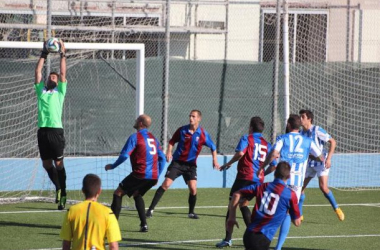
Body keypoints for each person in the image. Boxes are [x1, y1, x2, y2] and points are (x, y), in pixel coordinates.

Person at [261, 114, 324, 250]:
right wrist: (307, 155)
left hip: (281, 179)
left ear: (289, 125)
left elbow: (273, 154)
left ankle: (264, 240)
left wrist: (262, 167)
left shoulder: (282, 138)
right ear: (299, 126)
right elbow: (321, 157)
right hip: (296, 183)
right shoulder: (308, 141)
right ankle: (278, 247)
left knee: (271, 210)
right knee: (287, 213)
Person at [146, 110, 220, 219]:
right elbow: (172, 141)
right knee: (166, 184)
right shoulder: (182, 130)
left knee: (193, 189)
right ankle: (150, 210)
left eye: (193, 116)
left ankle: (191, 212)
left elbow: (213, 147)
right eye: (190, 116)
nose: (191, 118)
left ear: (199, 119)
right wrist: (169, 152)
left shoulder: (203, 134)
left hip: (191, 166)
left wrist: (215, 160)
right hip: (177, 163)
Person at [216, 117, 276, 248]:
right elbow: (273, 166)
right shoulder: (267, 144)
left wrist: (228, 163)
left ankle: (227, 239)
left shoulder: (246, 138)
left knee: (232, 206)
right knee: (243, 204)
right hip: (258, 181)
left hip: (244, 177)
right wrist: (261, 174)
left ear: (250, 127)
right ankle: (253, 235)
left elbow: (240, 153)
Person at [105, 114, 166, 232]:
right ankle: (144, 225)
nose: (135, 120)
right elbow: (162, 158)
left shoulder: (135, 137)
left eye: (137, 119)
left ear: (141, 123)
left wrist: (113, 166)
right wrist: (157, 176)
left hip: (140, 173)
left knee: (118, 193)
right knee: (137, 194)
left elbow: (124, 156)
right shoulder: (154, 138)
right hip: (152, 176)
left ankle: (112, 227)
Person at [226, 161, 301, 250]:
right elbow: (297, 222)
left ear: (274, 174)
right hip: (262, 237)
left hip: (248, 234)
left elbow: (236, 194)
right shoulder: (290, 194)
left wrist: (232, 217)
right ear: (289, 176)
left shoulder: (261, 186)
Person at [35, 39, 68, 210]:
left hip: (56, 131)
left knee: (59, 164)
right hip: (43, 132)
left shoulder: (59, 92)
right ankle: (58, 187)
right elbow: (38, 71)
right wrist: (44, 53)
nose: (52, 78)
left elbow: (63, 74)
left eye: (54, 77)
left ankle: (63, 195)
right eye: (51, 76)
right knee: (47, 165)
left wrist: (63, 54)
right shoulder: (41, 91)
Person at [298, 109, 344, 221]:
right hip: (309, 163)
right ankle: (299, 214)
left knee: (323, 187)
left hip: (321, 162)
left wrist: (329, 158)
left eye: (303, 117)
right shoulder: (300, 133)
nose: (300, 119)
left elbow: (333, 142)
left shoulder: (317, 130)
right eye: (300, 117)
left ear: (309, 119)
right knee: (299, 188)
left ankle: (336, 208)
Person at [60, 174, 121, 250]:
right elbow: (113, 246)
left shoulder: (71, 211)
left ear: (83, 190)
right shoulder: (108, 213)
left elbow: (66, 243)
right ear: (99, 191)